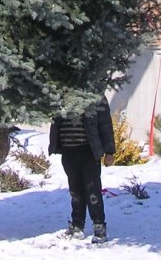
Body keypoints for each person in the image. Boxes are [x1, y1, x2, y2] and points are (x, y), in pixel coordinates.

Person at [48, 95, 116, 244]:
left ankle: (99, 226)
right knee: (75, 191)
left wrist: (109, 151)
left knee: (93, 191)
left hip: (88, 151)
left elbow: (105, 124)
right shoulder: (59, 94)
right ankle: (77, 225)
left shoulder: (96, 96)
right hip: (68, 151)